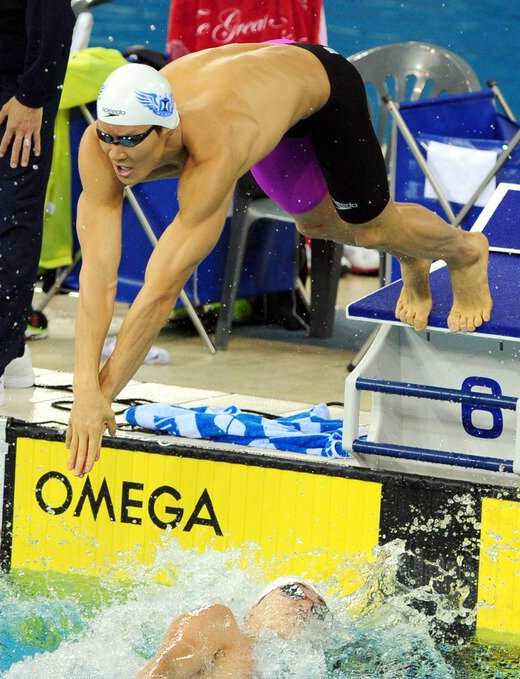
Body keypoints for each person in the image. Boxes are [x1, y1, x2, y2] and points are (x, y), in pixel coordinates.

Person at [67, 43, 492, 477]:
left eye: (130, 140)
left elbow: (161, 293)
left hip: (318, 85)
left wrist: (103, 396)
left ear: (165, 130)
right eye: (107, 135)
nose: (116, 152)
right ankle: (414, 254)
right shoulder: (99, 148)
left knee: (371, 227)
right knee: (317, 224)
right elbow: (97, 278)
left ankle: (464, 252)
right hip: (259, 93)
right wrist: (87, 392)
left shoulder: (215, 150)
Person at [0, 0, 75, 413]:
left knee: (15, 215)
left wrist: (33, 93)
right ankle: (3, 342)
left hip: (18, 84)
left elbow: (56, 15)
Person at [0, 578, 330, 679]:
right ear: (258, 603)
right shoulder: (222, 621)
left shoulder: (285, 675)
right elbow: (158, 673)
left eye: (318, 609)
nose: (304, 606)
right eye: (294, 591)